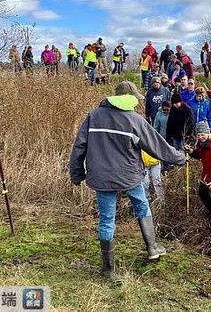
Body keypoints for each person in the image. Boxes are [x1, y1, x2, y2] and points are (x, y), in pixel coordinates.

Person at [69, 81, 186, 278]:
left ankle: (108, 269)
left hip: (102, 177)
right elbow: (157, 146)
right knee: (142, 205)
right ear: (130, 98)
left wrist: (77, 173)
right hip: (130, 175)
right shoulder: (135, 120)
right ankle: (152, 248)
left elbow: (79, 146)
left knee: (107, 220)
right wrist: (180, 157)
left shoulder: (94, 116)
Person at [184, 121, 211, 228]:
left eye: (203, 134)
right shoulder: (200, 144)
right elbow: (199, 155)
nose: (201, 137)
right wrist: (190, 152)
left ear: (208, 133)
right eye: (198, 135)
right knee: (203, 194)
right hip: (206, 175)